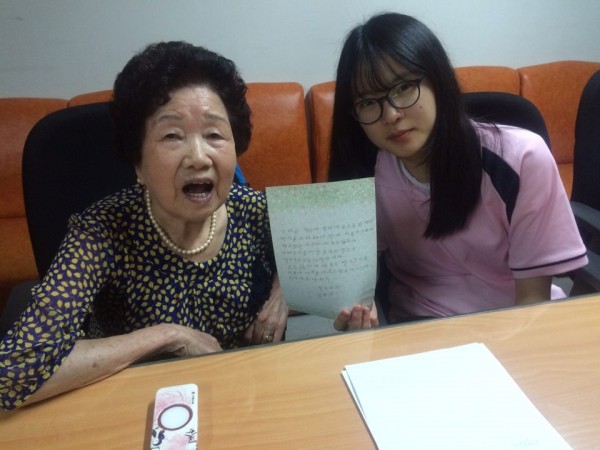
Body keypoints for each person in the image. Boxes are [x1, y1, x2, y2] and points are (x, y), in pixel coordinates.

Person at [0, 41, 288, 410]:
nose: (198, 157)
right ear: (138, 163)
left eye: (214, 135)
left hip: (238, 399)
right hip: (133, 406)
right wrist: (166, 336)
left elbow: (325, 252)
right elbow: (13, 371)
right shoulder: (101, 231)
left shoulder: (256, 211)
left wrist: (284, 291)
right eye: (172, 136)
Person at [331, 13, 588, 331]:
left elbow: (532, 302)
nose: (391, 115)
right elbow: (359, 271)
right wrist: (359, 308)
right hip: (419, 328)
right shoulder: (369, 171)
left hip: (512, 323)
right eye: (368, 102)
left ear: (438, 80)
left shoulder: (521, 159)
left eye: (404, 87)